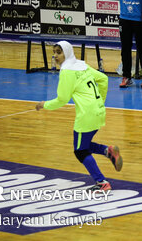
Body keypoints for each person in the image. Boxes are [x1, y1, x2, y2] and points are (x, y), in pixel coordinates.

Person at [36, 41, 122, 192]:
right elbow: (104, 79)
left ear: (67, 53)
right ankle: (108, 151)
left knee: (80, 151)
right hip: (99, 111)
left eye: (59, 52)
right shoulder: (82, 65)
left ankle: (101, 182)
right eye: (54, 52)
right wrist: (100, 101)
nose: (55, 56)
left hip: (86, 115)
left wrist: (44, 104)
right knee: (84, 144)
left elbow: (61, 99)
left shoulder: (67, 71)